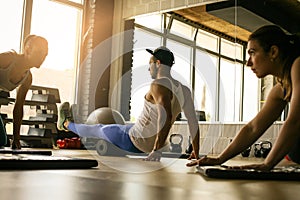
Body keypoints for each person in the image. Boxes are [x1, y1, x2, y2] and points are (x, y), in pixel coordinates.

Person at [187, 25, 300, 170]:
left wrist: (268, 164)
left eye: (252, 53)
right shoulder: (280, 89)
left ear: (273, 52)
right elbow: (253, 128)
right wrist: (220, 159)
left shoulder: (298, 65)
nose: (248, 63)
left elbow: (296, 121)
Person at [57, 46, 200, 161]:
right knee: (126, 125)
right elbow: (193, 122)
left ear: (158, 64)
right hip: (155, 142)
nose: (148, 68)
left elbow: (165, 117)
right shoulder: (185, 90)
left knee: (98, 129)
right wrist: (195, 151)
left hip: (135, 141)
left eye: (150, 64)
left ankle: (65, 124)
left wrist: (155, 151)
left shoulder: (158, 85)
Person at [0, 35, 48, 149]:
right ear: (27, 50)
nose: (42, 57)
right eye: (39, 52)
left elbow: (18, 107)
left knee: (1, 140)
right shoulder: (7, 59)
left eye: (45, 54)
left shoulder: (27, 78)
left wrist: (16, 139)